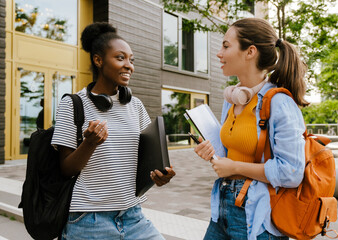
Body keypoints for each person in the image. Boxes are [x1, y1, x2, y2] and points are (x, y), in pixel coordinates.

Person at [51, 22, 175, 240]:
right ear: (98, 60)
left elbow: (146, 161)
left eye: (131, 60)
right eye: (120, 58)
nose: (129, 65)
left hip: (133, 216)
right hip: (88, 220)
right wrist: (89, 144)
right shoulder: (73, 104)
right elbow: (65, 169)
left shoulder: (135, 106)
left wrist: (159, 176)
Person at [194, 18, 308, 240]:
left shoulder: (279, 103)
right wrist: (211, 152)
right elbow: (228, 157)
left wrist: (233, 166)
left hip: (257, 215)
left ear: (250, 52)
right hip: (223, 206)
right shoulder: (233, 98)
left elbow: (291, 172)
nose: (219, 53)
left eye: (226, 46)